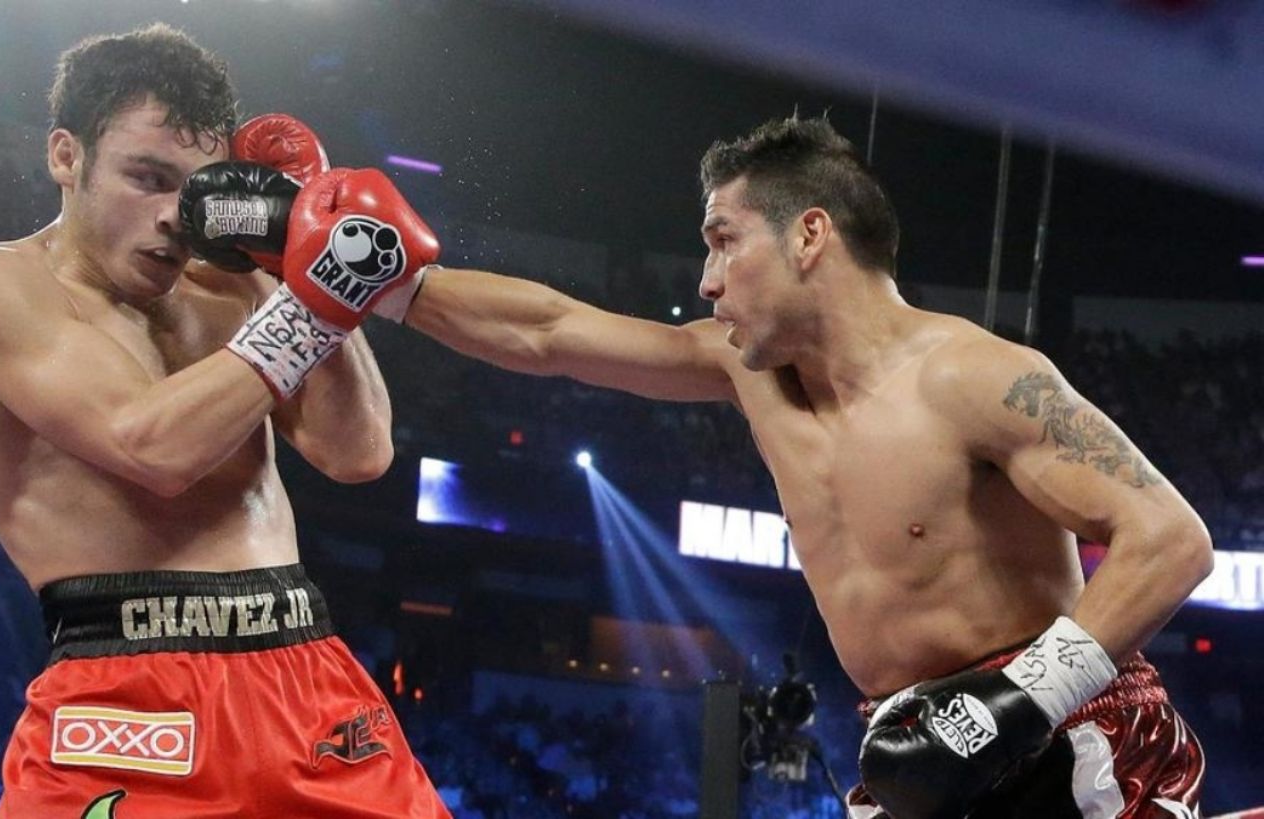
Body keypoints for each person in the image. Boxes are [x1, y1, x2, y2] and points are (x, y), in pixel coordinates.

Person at [372, 115, 1213, 817]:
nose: (707, 282)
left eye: (724, 241)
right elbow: (551, 332)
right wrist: (388, 285)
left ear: (810, 234)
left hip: (1066, 733)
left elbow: (1172, 540)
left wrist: (1018, 702)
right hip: (911, 744)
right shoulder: (746, 372)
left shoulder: (976, 378)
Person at [0, 24, 448, 818]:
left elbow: (358, 450)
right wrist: (319, 297)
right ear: (66, 156)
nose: (176, 215)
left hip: (306, 676)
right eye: (146, 177)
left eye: (197, 190)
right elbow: (152, 446)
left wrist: (296, 255)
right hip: (127, 696)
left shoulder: (232, 285)